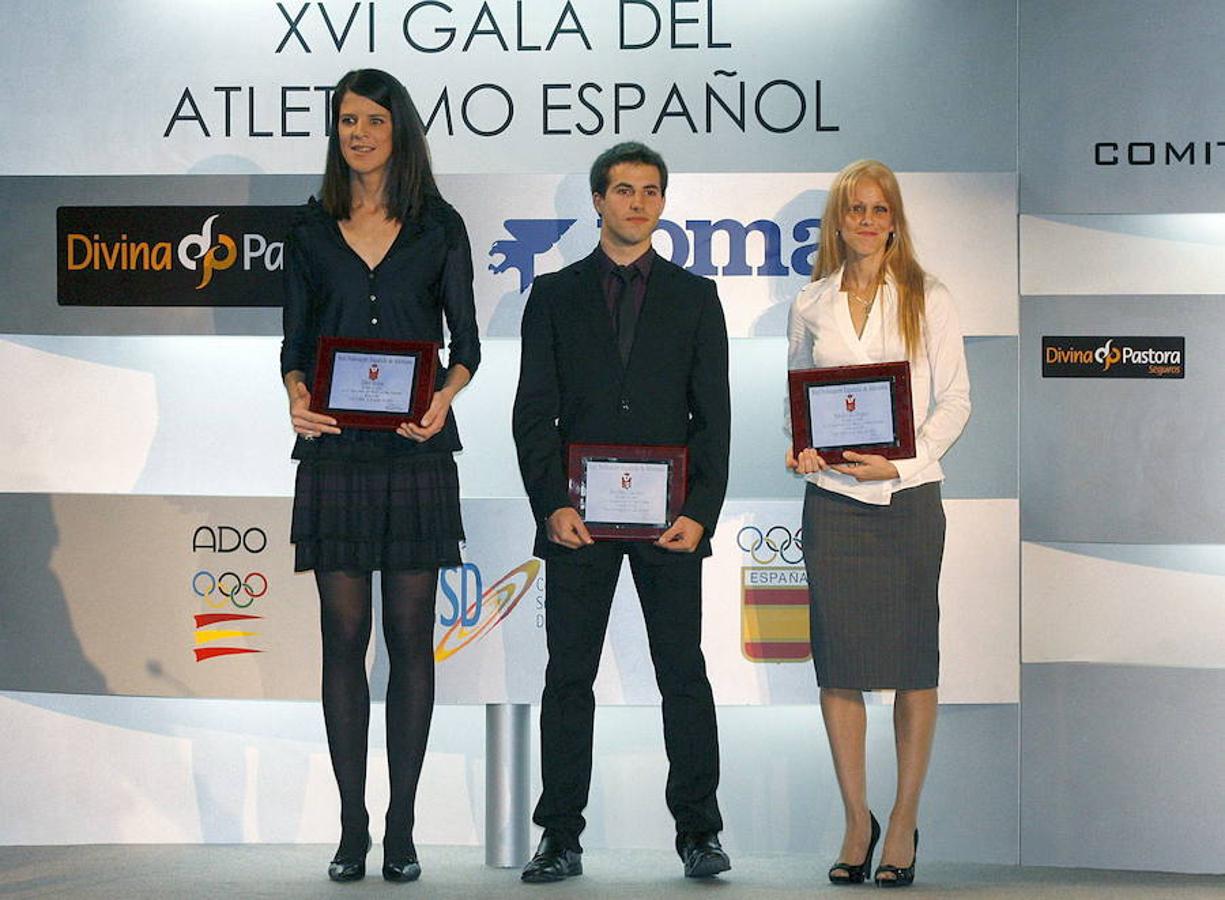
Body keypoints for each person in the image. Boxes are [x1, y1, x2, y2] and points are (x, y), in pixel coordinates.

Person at [512, 142, 732, 882]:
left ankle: (699, 833)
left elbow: (715, 421)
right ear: (597, 201)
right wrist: (549, 505)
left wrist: (701, 511)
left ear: (662, 203)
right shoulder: (552, 294)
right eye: (622, 190)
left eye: (649, 191)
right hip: (577, 522)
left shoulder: (696, 296)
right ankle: (558, 837)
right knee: (568, 678)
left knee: (683, 675)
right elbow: (532, 413)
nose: (636, 203)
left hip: (671, 524)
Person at [280, 68, 479, 883]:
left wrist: (444, 395)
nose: (357, 132)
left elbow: (464, 345)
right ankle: (351, 827)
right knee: (340, 641)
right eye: (346, 120)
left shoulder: (439, 225)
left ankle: (401, 827)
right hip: (332, 454)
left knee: (409, 644)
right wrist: (296, 396)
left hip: (414, 451)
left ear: (399, 128)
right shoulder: (309, 227)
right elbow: (295, 349)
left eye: (372, 119)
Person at [785, 160, 970, 888]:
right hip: (831, 502)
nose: (864, 220)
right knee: (839, 666)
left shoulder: (930, 296)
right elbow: (798, 395)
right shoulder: (810, 303)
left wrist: (898, 465)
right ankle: (856, 818)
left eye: (877, 209)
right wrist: (800, 447)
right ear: (837, 220)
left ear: (894, 219)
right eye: (852, 209)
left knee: (911, 665)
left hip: (906, 501)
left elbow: (954, 402)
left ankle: (901, 821)